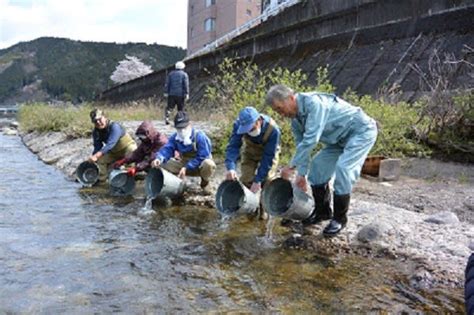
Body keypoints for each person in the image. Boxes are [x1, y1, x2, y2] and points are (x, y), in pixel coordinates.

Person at [265, 84, 377, 236]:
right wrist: (301, 174)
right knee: (317, 167)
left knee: (344, 169)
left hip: (360, 131)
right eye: (276, 111)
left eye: (280, 108)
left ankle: (339, 219)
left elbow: (311, 139)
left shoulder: (314, 103)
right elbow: (301, 146)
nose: (280, 113)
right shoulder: (296, 121)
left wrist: (290, 167)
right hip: (338, 140)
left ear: (291, 98)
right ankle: (322, 212)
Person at [225, 106, 281, 219]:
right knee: (246, 178)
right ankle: (250, 208)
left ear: (259, 121)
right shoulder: (238, 125)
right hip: (250, 152)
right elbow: (233, 147)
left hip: (268, 153)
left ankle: (263, 210)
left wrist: (258, 180)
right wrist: (231, 167)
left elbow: (268, 157)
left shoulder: (273, 130)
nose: (249, 132)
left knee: (267, 180)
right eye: (246, 130)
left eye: (251, 128)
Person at [151, 111, 216, 191]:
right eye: (179, 128)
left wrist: (187, 167)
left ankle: (205, 183)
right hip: (183, 164)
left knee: (208, 164)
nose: (182, 131)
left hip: (200, 166)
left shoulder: (199, 136)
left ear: (189, 125)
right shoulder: (175, 138)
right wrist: (159, 158)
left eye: (184, 128)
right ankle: (173, 185)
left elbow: (203, 156)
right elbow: (167, 150)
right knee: (162, 164)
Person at [88, 109, 137, 181]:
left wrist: (96, 155)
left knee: (132, 150)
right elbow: (97, 146)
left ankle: (129, 176)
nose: (98, 122)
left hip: (127, 148)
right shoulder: (96, 132)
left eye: (100, 119)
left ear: (104, 117)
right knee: (100, 160)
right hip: (113, 152)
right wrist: (93, 157)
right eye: (95, 121)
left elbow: (111, 143)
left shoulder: (114, 126)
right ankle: (102, 179)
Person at [164, 61, 189, 125]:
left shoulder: (170, 74)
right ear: (183, 67)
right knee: (180, 108)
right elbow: (186, 84)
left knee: (170, 107)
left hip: (171, 94)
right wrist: (187, 93)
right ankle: (180, 120)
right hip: (180, 94)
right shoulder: (184, 74)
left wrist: (166, 92)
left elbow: (167, 83)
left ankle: (167, 117)